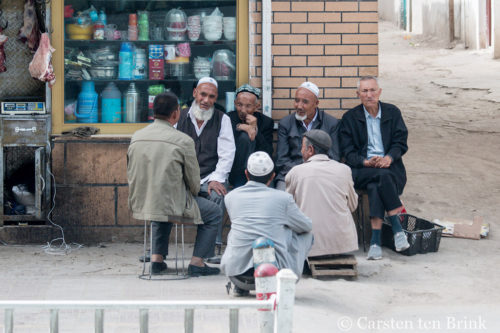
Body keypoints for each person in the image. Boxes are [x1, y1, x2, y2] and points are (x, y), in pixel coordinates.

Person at [127, 92, 221, 276]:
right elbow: (194, 181)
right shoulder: (183, 140)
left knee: (160, 205)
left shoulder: (137, 136)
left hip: (142, 202)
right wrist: (195, 192)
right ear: (176, 113)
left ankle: (156, 260)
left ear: (154, 112)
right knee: (214, 212)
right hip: (174, 204)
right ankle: (197, 262)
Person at [221, 151, 313, 295]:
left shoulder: (231, 197)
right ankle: (287, 277)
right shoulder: (284, 199)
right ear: (272, 176)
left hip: (237, 275)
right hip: (274, 276)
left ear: (246, 174)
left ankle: (240, 287)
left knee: (236, 231)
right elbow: (307, 226)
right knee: (304, 234)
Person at [339, 76, 409, 260]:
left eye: (372, 90)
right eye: (364, 91)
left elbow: (400, 143)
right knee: (381, 176)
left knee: (377, 183)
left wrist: (389, 158)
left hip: (389, 168)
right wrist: (365, 162)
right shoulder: (350, 118)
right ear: (358, 94)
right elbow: (348, 152)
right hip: (362, 170)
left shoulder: (392, 113)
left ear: (379, 92)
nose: (369, 95)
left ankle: (375, 243)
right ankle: (397, 228)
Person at [176, 77, 236, 261]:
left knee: (217, 195)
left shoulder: (222, 119)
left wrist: (217, 178)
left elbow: (227, 153)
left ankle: (210, 251)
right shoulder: (179, 116)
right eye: (203, 94)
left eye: (211, 96)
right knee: (163, 196)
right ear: (195, 93)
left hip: (209, 177)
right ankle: (156, 253)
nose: (206, 100)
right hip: (182, 178)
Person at [286, 130, 359, 258]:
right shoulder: (344, 170)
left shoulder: (296, 172)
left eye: (302, 147)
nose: (300, 151)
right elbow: (353, 205)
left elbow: (288, 210)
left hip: (310, 247)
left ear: (310, 149)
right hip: (343, 246)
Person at [275, 81, 340, 190]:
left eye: (305, 102)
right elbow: (281, 160)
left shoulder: (331, 123)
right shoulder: (285, 123)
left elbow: (334, 157)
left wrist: (312, 172)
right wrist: (302, 172)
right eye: (296, 100)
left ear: (316, 103)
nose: (299, 106)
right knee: (281, 195)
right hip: (291, 174)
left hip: (322, 175)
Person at [227, 84, 274, 188]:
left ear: (257, 106)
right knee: (244, 137)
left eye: (248, 106)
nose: (243, 110)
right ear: (234, 103)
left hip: (260, 171)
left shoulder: (266, 122)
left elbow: (268, 151)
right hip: (235, 171)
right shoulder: (228, 118)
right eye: (239, 105)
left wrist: (255, 130)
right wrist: (240, 126)